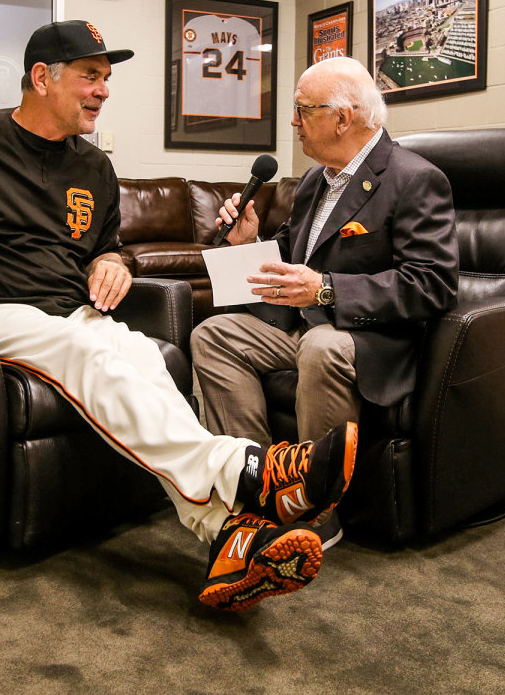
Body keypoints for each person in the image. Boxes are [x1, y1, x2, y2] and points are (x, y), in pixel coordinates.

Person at [0, 20, 358, 611]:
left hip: (73, 313)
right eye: (91, 76)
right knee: (84, 353)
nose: (104, 90)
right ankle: (247, 469)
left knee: (146, 360)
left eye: (106, 78)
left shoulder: (93, 168)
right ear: (42, 78)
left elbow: (103, 246)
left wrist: (109, 263)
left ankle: (224, 536)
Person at [189, 56, 459, 548]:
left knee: (321, 346)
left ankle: (317, 509)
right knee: (213, 335)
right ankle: (263, 484)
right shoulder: (316, 179)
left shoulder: (414, 179)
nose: (293, 122)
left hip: (370, 337)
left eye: (302, 110)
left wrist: (327, 288)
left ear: (343, 117)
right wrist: (249, 243)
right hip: (306, 324)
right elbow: (294, 257)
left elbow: (432, 284)